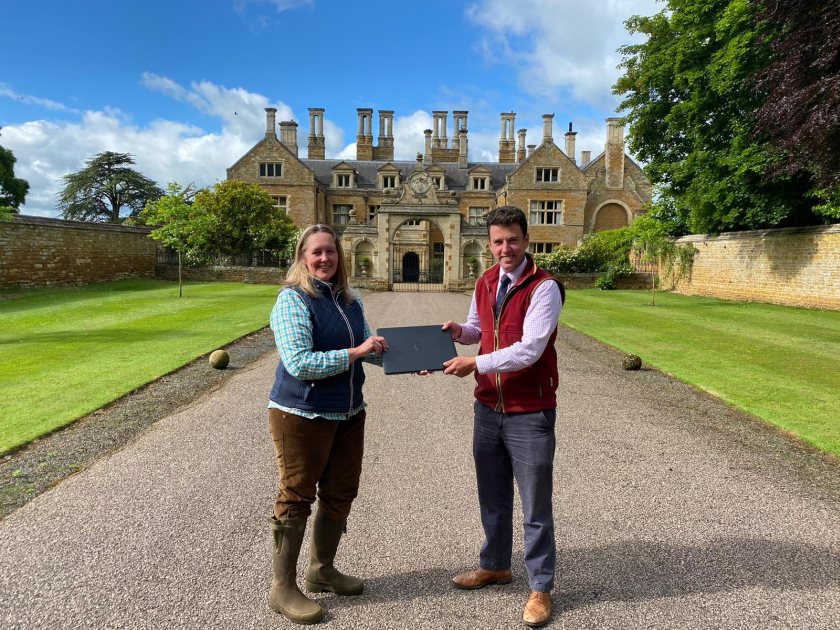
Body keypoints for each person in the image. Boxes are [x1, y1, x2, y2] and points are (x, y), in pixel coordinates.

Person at [441, 206, 564, 628]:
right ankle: (495, 564)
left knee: (535, 506)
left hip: (530, 411)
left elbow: (530, 349)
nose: (504, 248)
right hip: (488, 409)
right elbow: (478, 328)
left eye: (512, 240)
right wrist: (460, 333)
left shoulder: (544, 287)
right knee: (492, 497)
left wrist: (475, 364)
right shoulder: (485, 281)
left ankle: (540, 588)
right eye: (497, 241)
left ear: (526, 241)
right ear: (490, 243)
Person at [266, 224, 388, 625]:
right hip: (302, 414)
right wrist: (357, 351)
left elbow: (368, 349)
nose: (325, 259)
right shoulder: (292, 300)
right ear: (302, 256)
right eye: (316, 252)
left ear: (340, 256)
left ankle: (322, 570)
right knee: (297, 495)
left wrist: (406, 355)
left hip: (349, 412)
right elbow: (300, 363)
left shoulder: (350, 301)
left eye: (330, 252)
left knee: (340, 492)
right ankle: (282, 588)